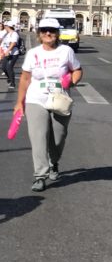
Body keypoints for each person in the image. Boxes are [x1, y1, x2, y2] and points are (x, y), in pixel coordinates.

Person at [13, 17, 82, 192]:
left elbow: (77, 70)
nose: (48, 33)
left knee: (58, 137)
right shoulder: (33, 53)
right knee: (38, 137)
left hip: (60, 99)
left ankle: (54, 162)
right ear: (39, 33)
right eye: (44, 30)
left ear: (57, 33)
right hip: (36, 98)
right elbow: (25, 78)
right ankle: (40, 175)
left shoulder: (66, 51)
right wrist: (19, 102)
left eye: (51, 30)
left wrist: (72, 81)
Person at [0, 19, 21, 89]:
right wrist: (0, 52)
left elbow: (13, 43)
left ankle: (13, 83)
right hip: (6, 53)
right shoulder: (6, 34)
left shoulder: (14, 34)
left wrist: (8, 50)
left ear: (8, 26)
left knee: (9, 67)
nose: (4, 27)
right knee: (4, 68)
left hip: (13, 54)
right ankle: (9, 78)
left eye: (5, 26)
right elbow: (2, 44)